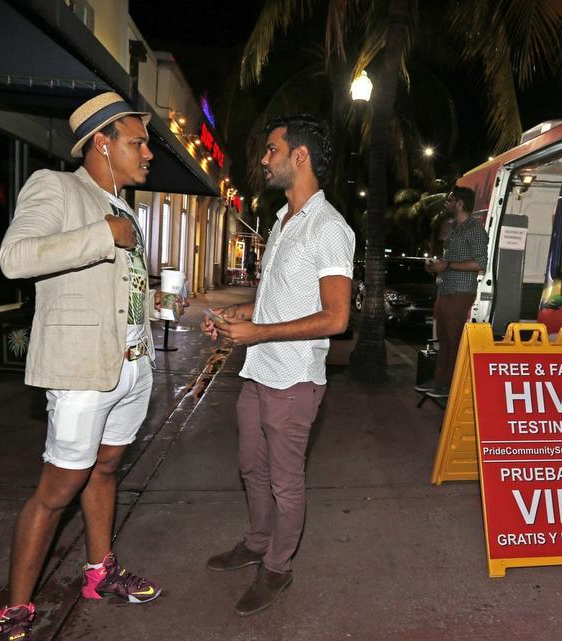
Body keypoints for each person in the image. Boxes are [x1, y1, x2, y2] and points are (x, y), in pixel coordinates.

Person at [0, 92, 184, 641]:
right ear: (102, 141)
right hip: (79, 369)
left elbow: (120, 288)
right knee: (57, 489)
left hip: (131, 365)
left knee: (106, 469)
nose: (148, 153)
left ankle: (99, 573)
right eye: (138, 141)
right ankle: (16, 609)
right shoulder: (55, 187)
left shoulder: (126, 208)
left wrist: (155, 308)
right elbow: (15, 257)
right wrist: (102, 237)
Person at [201, 113, 354, 617]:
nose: (264, 159)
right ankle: (256, 542)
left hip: (294, 380)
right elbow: (275, 303)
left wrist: (258, 332)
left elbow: (336, 318)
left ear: (299, 156)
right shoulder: (283, 220)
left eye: (271, 149)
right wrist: (234, 318)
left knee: (286, 481)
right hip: (258, 372)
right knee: (251, 467)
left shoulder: (330, 228)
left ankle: (278, 567)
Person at [416, 185, 489, 398]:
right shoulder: (456, 228)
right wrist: (437, 266)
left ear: (460, 203)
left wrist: (447, 265)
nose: (446, 203)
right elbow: (451, 261)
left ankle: (451, 387)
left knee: (454, 341)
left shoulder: (474, 228)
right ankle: (440, 382)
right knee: (445, 340)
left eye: (450, 200)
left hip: (460, 292)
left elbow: (481, 263)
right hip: (447, 289)